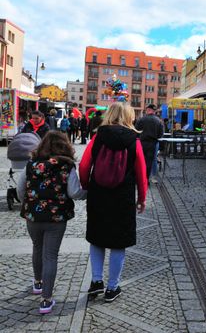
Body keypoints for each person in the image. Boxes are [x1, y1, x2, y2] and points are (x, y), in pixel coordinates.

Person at [79, 102, 147, 303]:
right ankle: (112, 287)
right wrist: (141, 198)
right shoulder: (134, 140)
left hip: (99, 193)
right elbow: (141, 173)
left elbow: (84, 166)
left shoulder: (97, 137)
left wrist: (86, 185)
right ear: (129, 116)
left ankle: (96, 281)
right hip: (123, 196)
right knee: (119, 242)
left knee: (97, 238)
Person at [18, 131, 85, 314]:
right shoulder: (67, 166)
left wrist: (29, 203)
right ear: (65, 145)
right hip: (56, 219)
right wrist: (85, 193)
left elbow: (20, 189)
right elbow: (74, 192)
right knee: (50, 256)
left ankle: (38, 283)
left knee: (37, 248)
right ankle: (46, 300)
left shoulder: (31, 164)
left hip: (33, 216)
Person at [135, 104, 164, 184]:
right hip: (153, 143)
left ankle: (139, 179)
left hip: (141, 143)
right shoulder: (159, 121)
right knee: (150, 161)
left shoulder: (141, 119)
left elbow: (136, 131)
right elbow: (161, 134)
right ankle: (146, 179)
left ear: (147, 110)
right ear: (154, 111)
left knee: (140, 161)